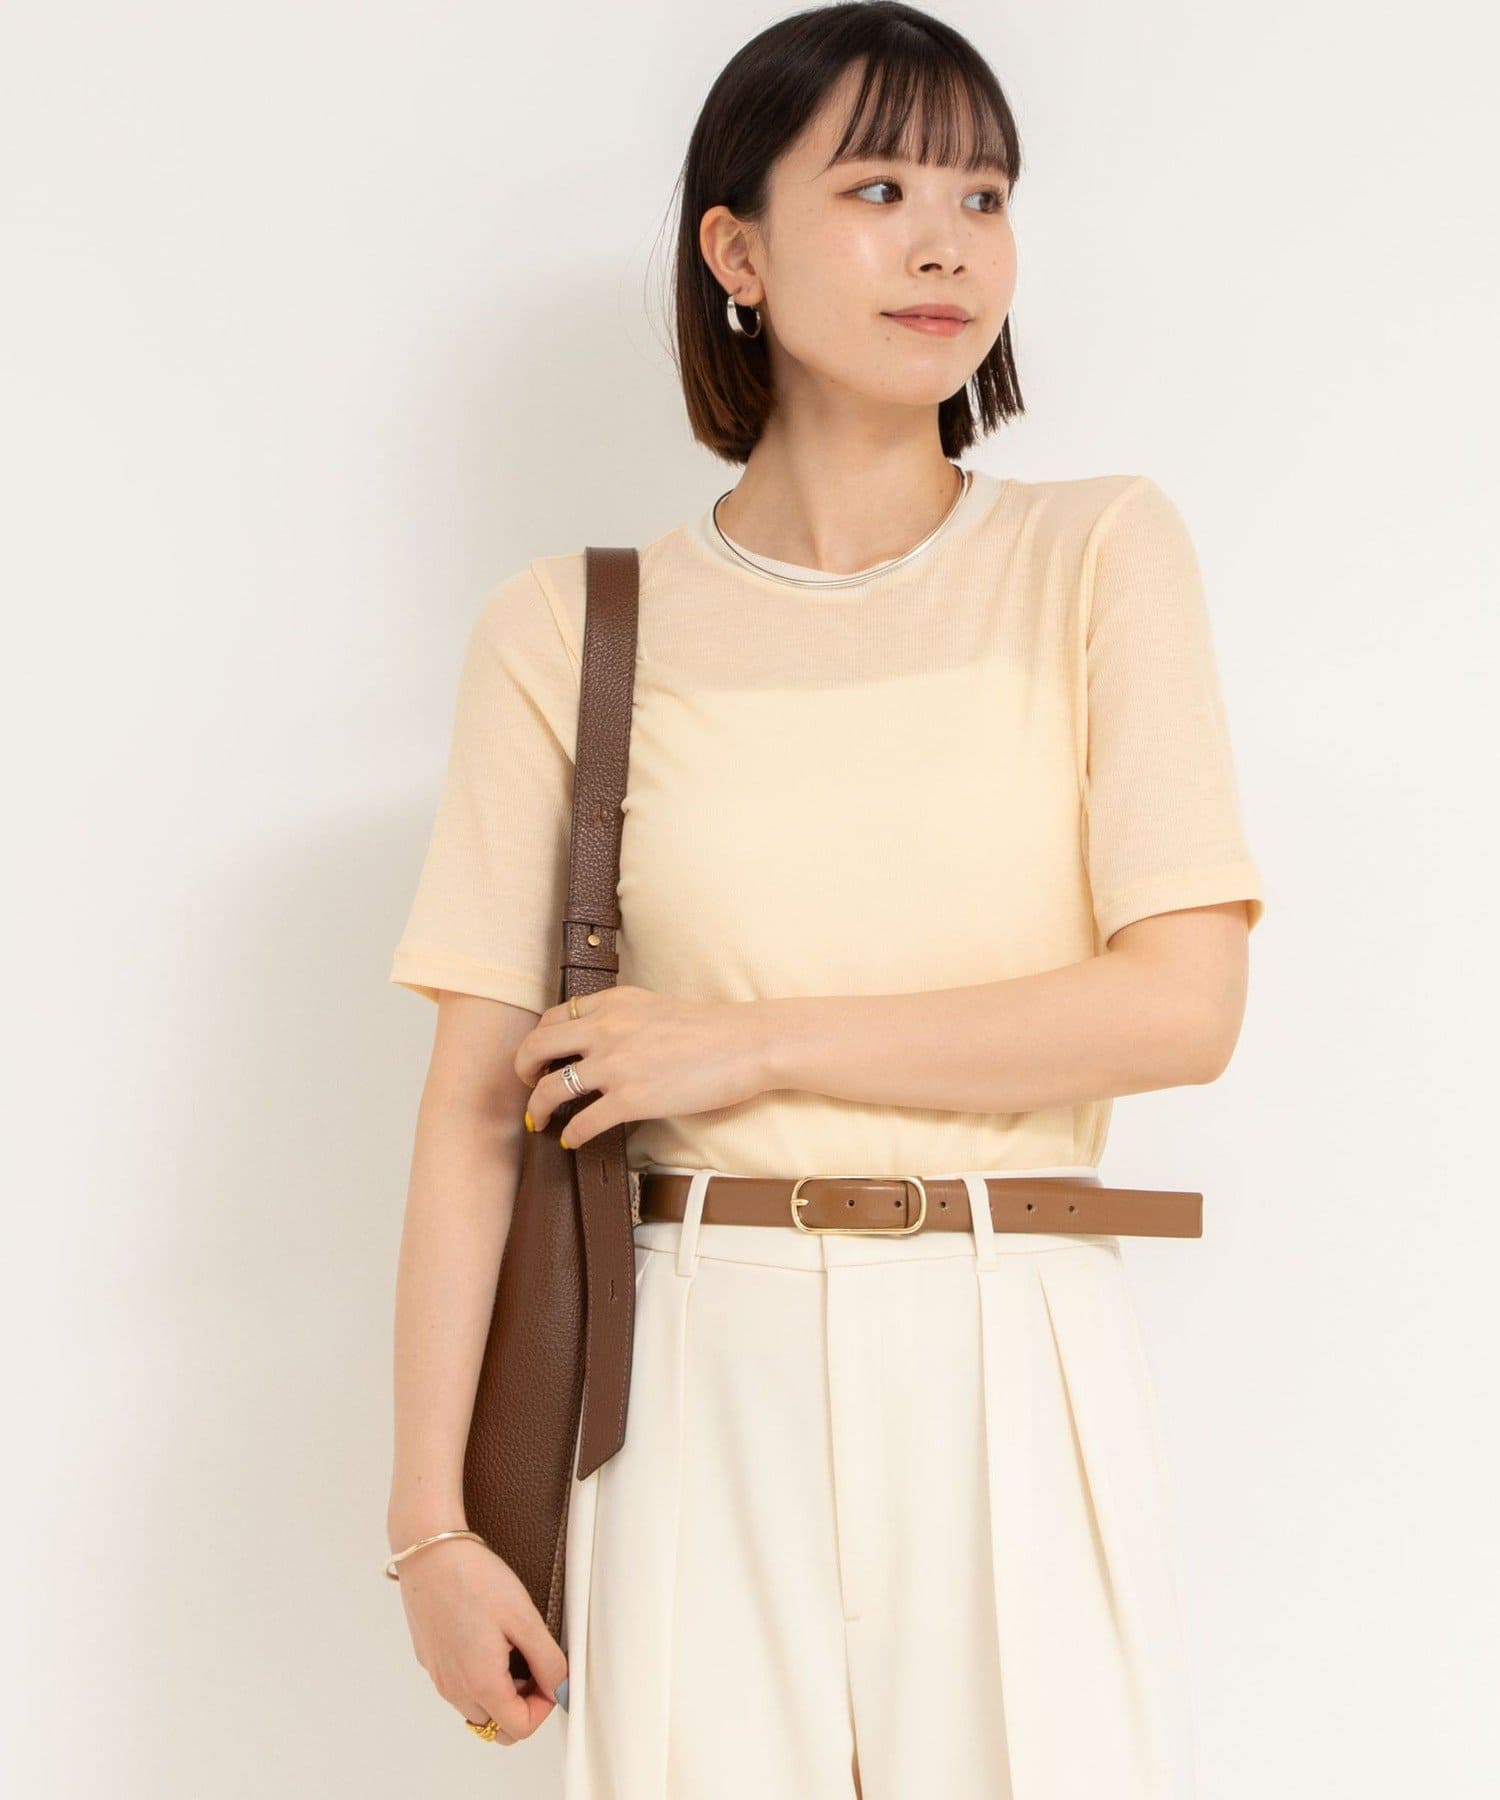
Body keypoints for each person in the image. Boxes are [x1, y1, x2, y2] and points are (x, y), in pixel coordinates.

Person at [383, 5, 1265, 1795]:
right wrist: (430, 1531)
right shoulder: (569, 629)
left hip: (1011, 1336)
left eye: (983, 195)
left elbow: (1182, 1006)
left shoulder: (1097, 553)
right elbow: (479, 1110)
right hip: (689, 1361)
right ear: (736, 251)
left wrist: (747, 1043)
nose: (947, 244)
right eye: (877, 189)